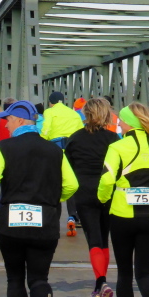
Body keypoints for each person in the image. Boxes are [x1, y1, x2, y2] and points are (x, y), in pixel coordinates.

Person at [0, 100, 79, 297]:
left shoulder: (3, 148)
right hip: (45, 221)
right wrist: (53, 200)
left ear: (20, 120)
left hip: (11, 222)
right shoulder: (55, 150)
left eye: (8, 120)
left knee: (14, 278)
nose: (5, 125)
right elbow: (72, 185)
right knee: (39, 278)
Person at [98, 102, 149, 297]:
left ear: (128, 123)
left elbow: (107, 179)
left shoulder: (117, 148)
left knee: (124, 273)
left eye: (121, 120)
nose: (119, 123)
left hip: (122, 215)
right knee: (144, 272)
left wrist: (103, 198)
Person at [64, 98, 120, 297]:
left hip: (84, 192)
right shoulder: (113, 139)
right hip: (108, 192)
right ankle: (100, 285)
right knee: (105, 238)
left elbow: (67, 167)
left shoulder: (75, 138)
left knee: (94, 239)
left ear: (85, 114)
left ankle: (100, 283)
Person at [41, 91, 84, 235]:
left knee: (54, 183)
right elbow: (81, 132)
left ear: (50, 102)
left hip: (55, 150)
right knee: (70, 182)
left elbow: (46, 129)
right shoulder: (74, 114)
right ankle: (73, 216)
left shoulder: (49, 112)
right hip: (72, 150)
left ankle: (53, 216)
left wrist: (41, 141)